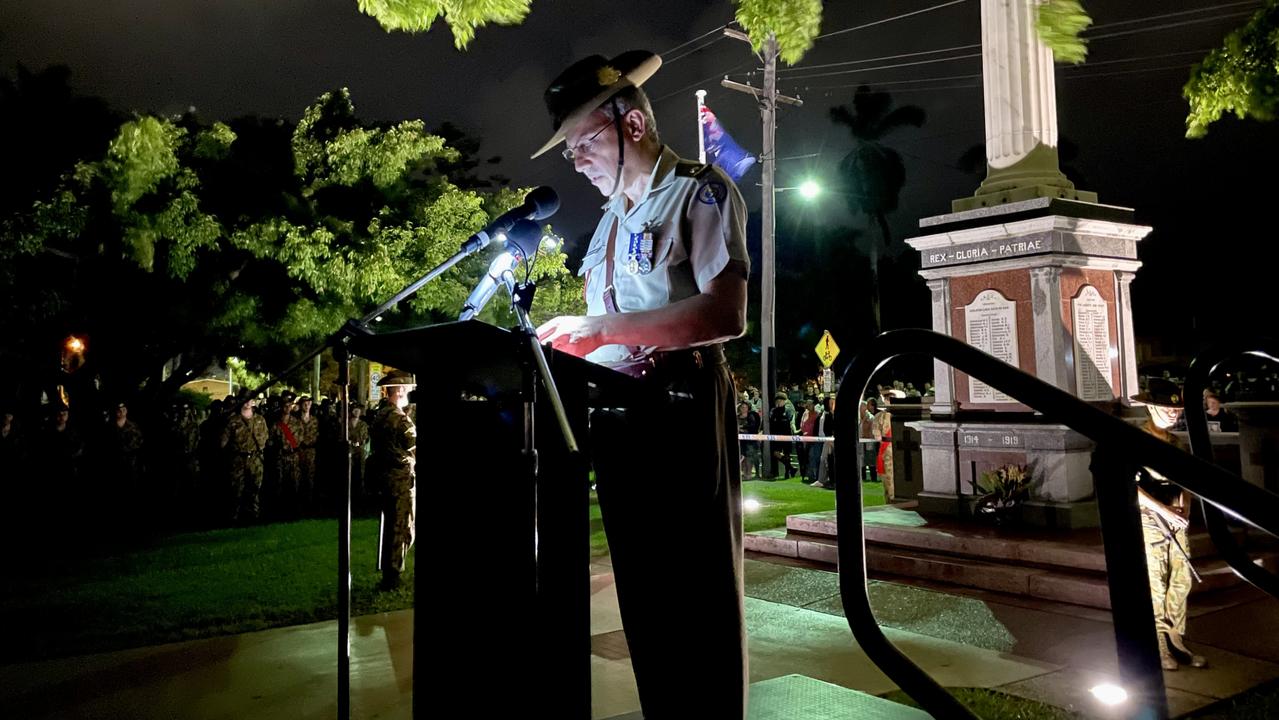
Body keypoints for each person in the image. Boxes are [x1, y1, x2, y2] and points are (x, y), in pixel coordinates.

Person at [532, 50, 750, 718]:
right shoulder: (604, 226)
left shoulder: (699, 190)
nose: (575, 161)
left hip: (682, 409)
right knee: (645, 600)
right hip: (619, 423)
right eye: (567, 150)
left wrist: (597, 329)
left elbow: (724, 313)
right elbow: (600, 334)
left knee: (696, 594)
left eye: (583, 142)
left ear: (630, 125)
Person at [1132, 378, 1207, 671]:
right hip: (1150, 518)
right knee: (1155, 582)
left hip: (1176, 520)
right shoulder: (1136, 439)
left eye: (1177, 410)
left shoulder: (1176, 443)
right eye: (1167, 408)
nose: (1174, 414)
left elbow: (1186, 480)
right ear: (1151, 407)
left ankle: (1176, 638)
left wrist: (1184, 509)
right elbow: (1130, 485)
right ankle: (1158, 643)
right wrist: (1162, 509)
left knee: (1181, 578)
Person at [367, 371, 417, 590]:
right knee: (402, 528)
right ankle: (392, 575)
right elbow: (414, 446)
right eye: (408, 389)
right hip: (401, 480)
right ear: (400, 390)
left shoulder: (381, 415)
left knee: (392, 526)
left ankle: (390, 571)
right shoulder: (400, 420)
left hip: (385, 478)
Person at [221, 392, 268, 522]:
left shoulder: (260, 420)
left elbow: (265, 438)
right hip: (238, 459)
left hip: (255, 458)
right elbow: (223, 443)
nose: (247, 402)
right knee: (236, 491)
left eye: (250, 399)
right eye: (244, 399)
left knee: (255, 490)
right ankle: (234, 518)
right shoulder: (233, 421)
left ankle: (254, 517)